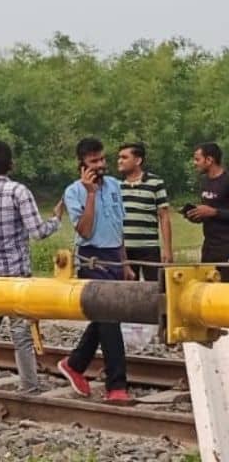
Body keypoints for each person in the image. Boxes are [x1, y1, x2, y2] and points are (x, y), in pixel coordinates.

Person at [0, 140, 61, 394]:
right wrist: (56, 220)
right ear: (11, 164)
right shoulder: (19, 192)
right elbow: (38, 232)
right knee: (21, 332)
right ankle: (29, 385)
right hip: (17, 275)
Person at [57, 137, 134, 405]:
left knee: (106, 319)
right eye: (93, 162)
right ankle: (117, 385)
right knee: (109, 320)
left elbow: (119, 226)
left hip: (114, 256)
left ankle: (75, 364)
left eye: (102, 159)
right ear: (82, 165)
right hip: (92, 259)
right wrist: (90, 193)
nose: (100, 165)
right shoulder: (74, 192)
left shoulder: (114, 186)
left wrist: (125, 263)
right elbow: (85, 231)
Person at [117, 143, 172, 280]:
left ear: (138, 160)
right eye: (119, 157)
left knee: (156, 288)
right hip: (125, 250)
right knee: (127, 292)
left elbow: (164, 217)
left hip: (149, 248)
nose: (120, 161)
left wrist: (167, 249)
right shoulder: (117, 186)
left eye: (124, 157)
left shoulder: (155, 183)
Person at [188, 142, 229, 279]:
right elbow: (208, 211)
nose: (195, 163)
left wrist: (214, 212)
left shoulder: (227, 180)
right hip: (209, 247)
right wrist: (197, 215)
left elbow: (214, 211)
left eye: (197, 159)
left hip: (226, 248)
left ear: (209, 160)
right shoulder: (204, 181)